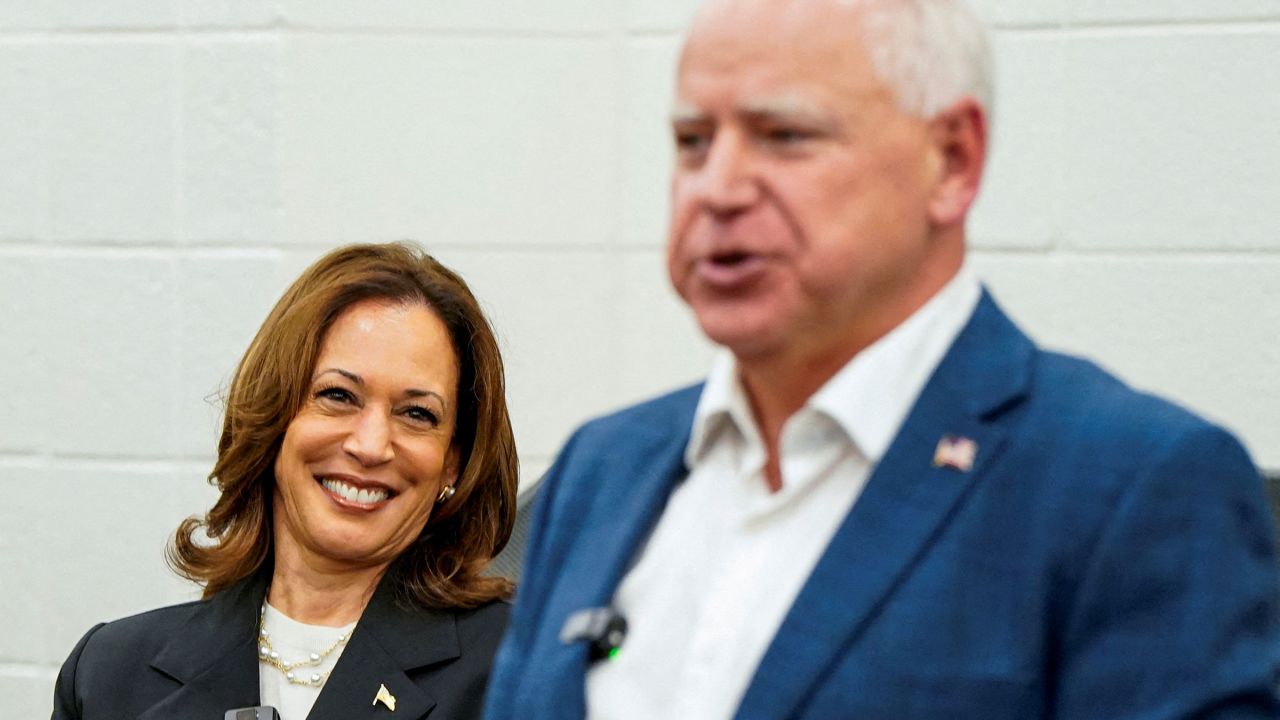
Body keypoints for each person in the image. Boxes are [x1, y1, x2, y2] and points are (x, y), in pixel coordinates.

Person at [483, 0, 1280, 718]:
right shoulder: (602, 470)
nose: (717, 187)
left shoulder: (1132, 487)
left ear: (953, 161)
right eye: (693, 142)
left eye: (785, 136)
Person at [53, 242, 518, 720]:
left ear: (452, 463)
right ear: (273, 418)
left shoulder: (520, 669)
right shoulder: (108, 675)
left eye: (417, 413)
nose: (371, 445)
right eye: (338, 395)